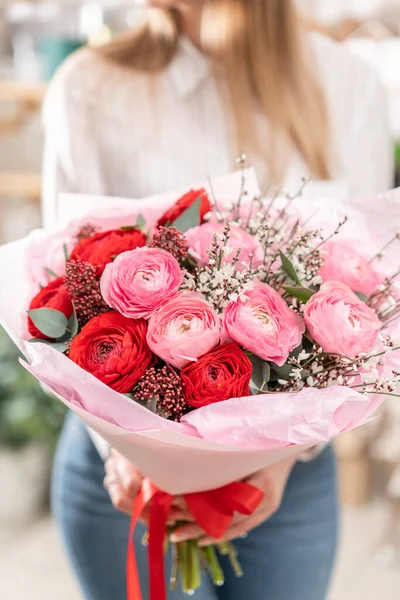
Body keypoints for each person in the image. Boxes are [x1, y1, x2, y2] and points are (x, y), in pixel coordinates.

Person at [43, 1, 393, 599]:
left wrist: (274, 458)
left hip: (290, 481)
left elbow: (371, 300)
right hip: (126, 479)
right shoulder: (91, 87)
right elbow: (58, 290)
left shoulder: (348, 84)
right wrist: (140, 453)